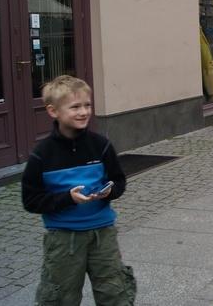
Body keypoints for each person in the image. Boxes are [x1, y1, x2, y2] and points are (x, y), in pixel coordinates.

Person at [21, 75, 136, 305]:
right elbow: (31, 200)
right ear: (54, 111)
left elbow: (118, 181)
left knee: (114, 292)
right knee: (60, 296)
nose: (83, 112)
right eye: (75, 107)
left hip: (102, 234)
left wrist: (109, 191)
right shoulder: (42, 154)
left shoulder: (100, 145)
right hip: (63, 238)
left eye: (87, 105)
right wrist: (67, 198)